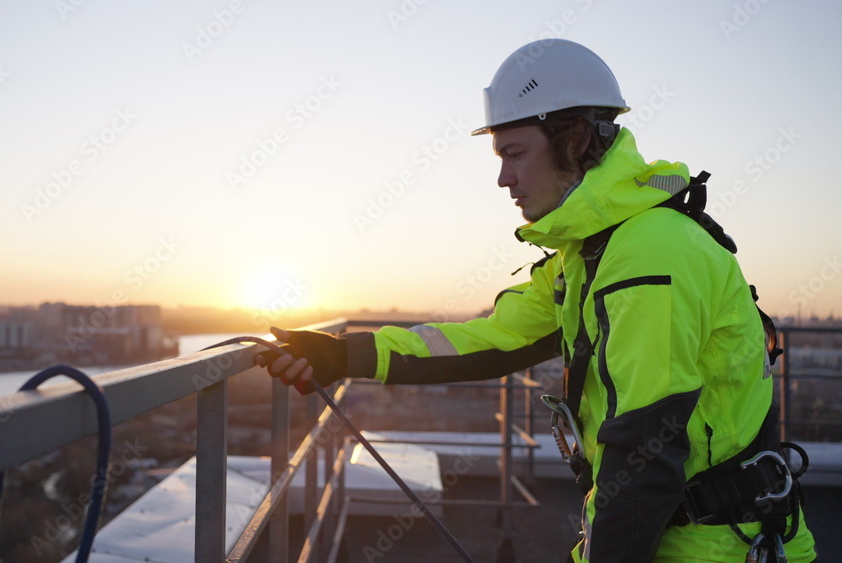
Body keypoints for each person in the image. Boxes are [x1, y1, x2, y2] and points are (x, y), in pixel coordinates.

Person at [255, 39, 817, 562]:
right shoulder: (594, 252)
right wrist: (342, 354)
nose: (503, 178)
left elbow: (643, 453)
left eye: (516, 153)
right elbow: (494, 338)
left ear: (574, 141)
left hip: (712, 549)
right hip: (686, 537)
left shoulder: (648, 255)